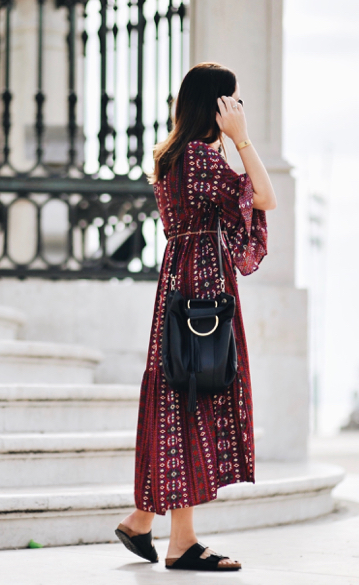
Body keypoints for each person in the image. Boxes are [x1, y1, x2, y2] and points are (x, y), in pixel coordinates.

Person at [116, 62, 275, 572]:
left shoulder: (172, 157)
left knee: (179, 395)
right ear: (216, 106)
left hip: (178, 285)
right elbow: (266, 197)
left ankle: (142, 521)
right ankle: (180, 543)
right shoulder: (203, 161)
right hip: (204, 289)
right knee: (194, 396)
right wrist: (243, 140)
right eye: (232, 101)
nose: (238, 109)